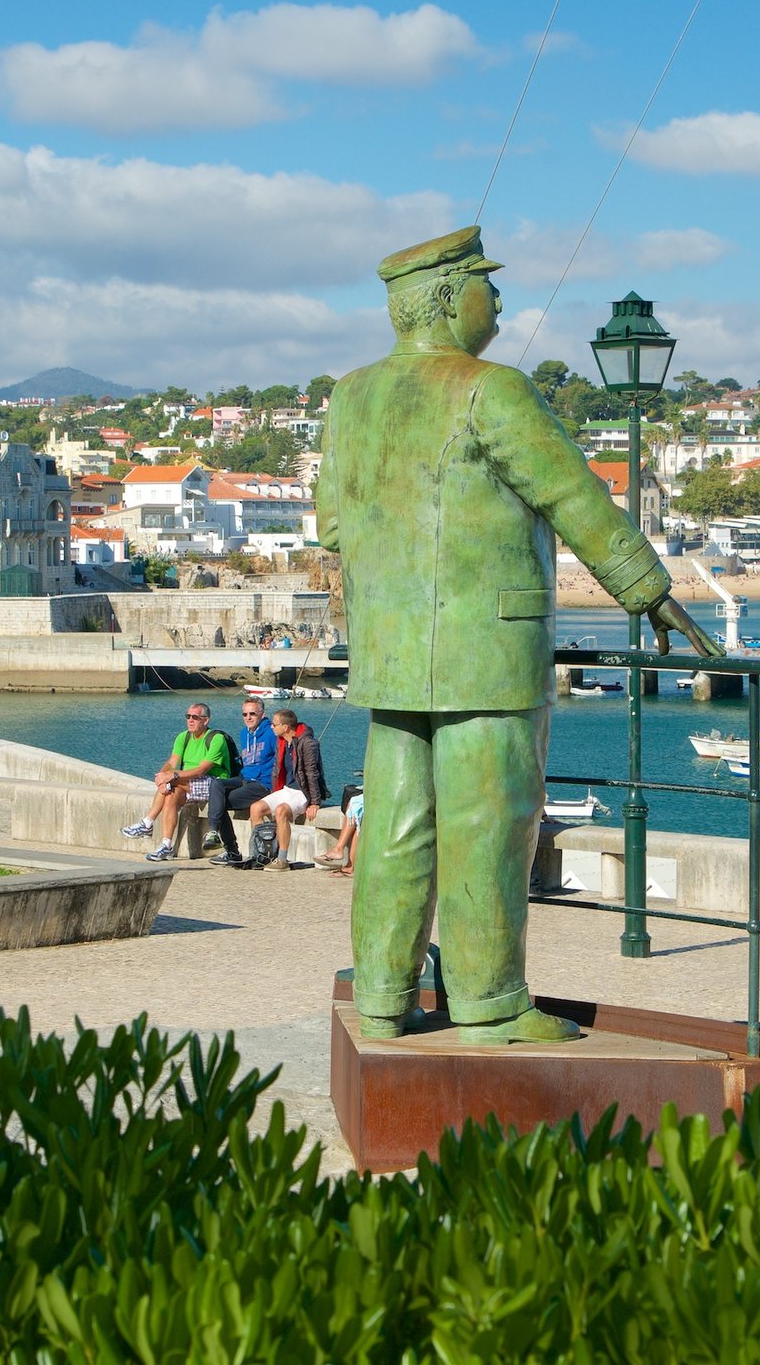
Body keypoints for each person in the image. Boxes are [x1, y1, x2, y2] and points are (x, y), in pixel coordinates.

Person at [315, 224, 719, 1046]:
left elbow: (330, 525)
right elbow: (573, 496)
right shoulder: (490, 389)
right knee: (488, 829)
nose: (497, 299)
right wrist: (649, 591)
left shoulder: (352, 395)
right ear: (445, 298)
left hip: (392, 655)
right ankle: (489, 1003)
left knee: (394, 830)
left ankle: (384, 1001)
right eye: (483, 284)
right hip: (488, 655)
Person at [139, 702, 232, 864]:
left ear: (206, 720)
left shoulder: (216, 739)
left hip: (215, 783)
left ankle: (147, 822)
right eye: (188, 716)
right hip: (188, 781)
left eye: (195, 717)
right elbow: (172, 761)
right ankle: (166, 845)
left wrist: (171, 777)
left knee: (172, 784)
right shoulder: (184, 736)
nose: (190, 720)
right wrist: (162, 776)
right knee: (170, 794)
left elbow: (201, 771)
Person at [251, 707, 327, 873]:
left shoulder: (307, 743)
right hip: (286, 789)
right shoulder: (282, 742)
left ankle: (282, 859)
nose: (271, 727)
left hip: (302, 792)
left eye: (274, 724)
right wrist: (274, 792)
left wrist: (315, 802)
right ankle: (263, 853)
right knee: (256, 808)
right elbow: (277, 770)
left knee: (281, 811)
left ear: (285, 727)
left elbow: (312, 773)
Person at [208, 698, 279, 867]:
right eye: (245, 714)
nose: (248, 717)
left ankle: (232, 851)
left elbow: (282, 757)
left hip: (262, 783)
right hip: (244, 778)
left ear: (262, 714)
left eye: (252, 714)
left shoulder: (270, 732)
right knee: (217, 785)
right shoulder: (244, 733)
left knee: (220, 802)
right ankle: (212, 831)